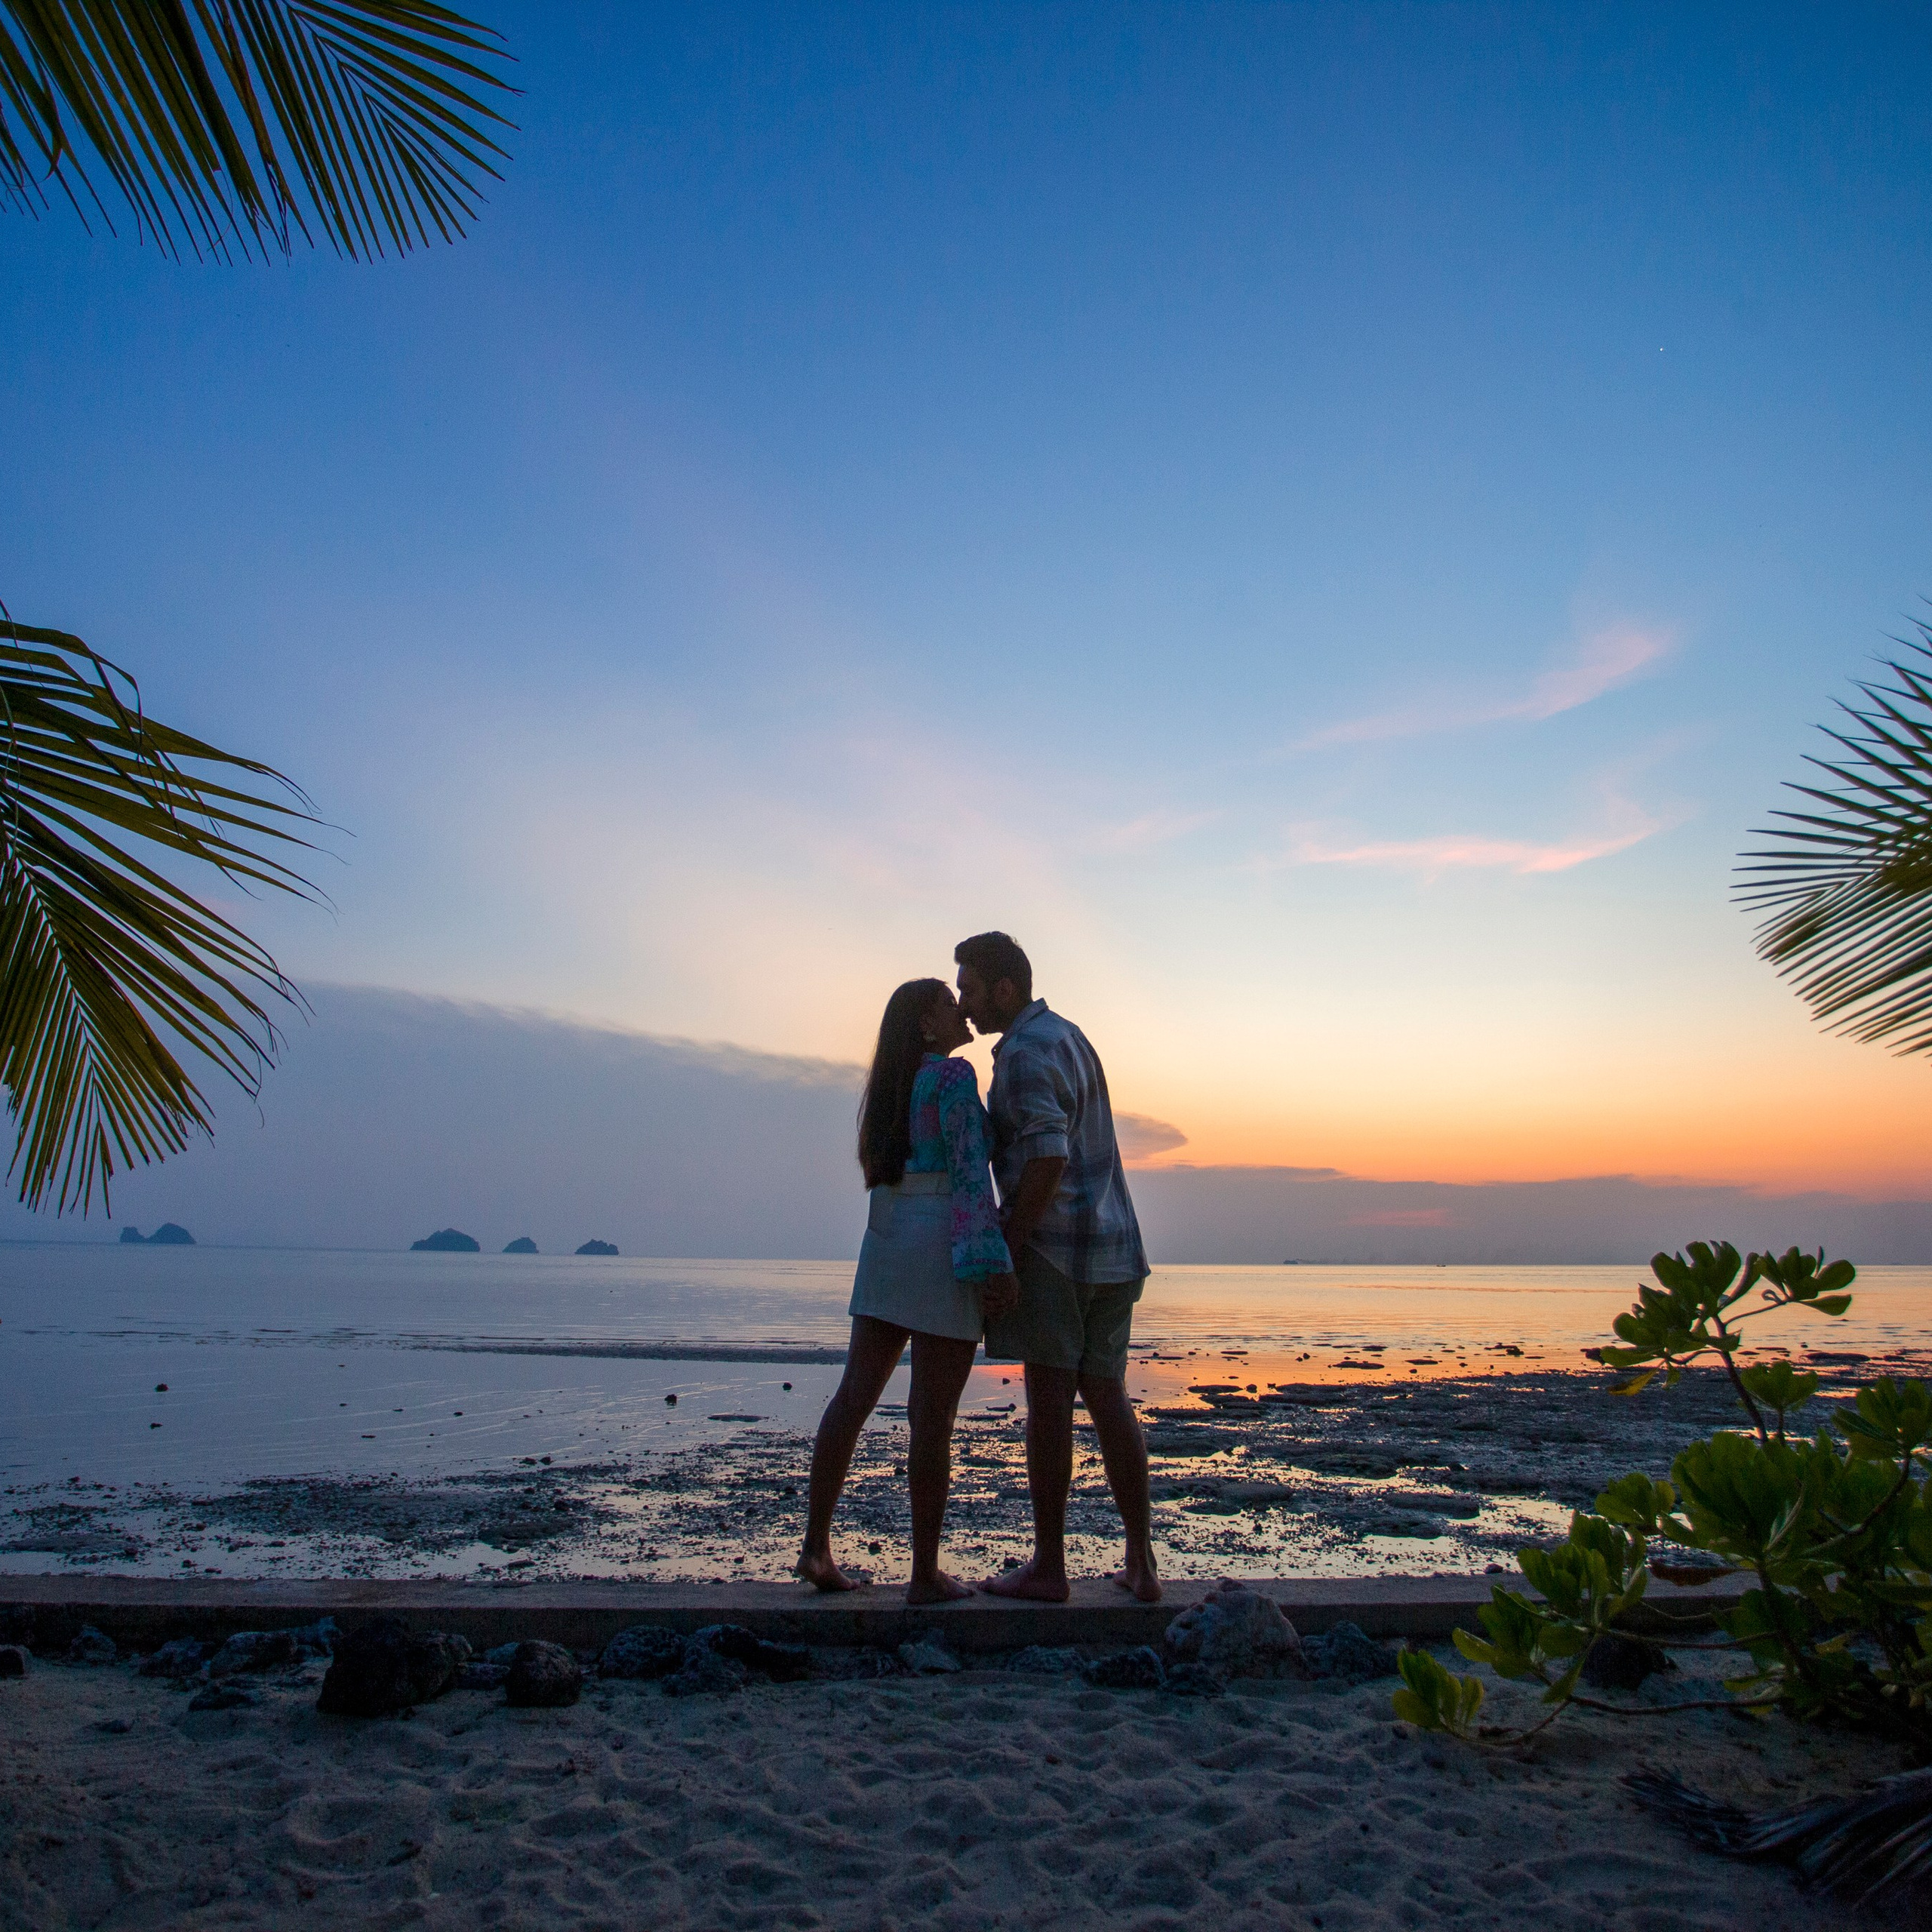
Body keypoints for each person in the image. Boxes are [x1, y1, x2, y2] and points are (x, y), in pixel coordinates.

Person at [795, 977, 1020, 1604]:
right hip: (939, 1243)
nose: (960, 1009)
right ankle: (924, 1573)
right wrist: (993, 1263)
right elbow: (971, 1175)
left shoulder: (891, 1089)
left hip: (887, 1238)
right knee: (932, 1418)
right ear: (926, 1024)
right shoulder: (952, 1077)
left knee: (853, 1399)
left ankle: (815, 1546)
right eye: (948, 1002)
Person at [954, 931, 1161, 1604]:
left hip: (1055, 1254)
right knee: (1107, 1397)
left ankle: (1048, 1568)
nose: (964, 1003)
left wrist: (1008, 1251)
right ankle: (1141, 1563)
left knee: (1048, 1408)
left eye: (969, 989)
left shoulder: (1022, 1054)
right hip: (1114, 1249)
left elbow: (1047, 1157)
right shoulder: (1070, 1036)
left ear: (1004, 988)